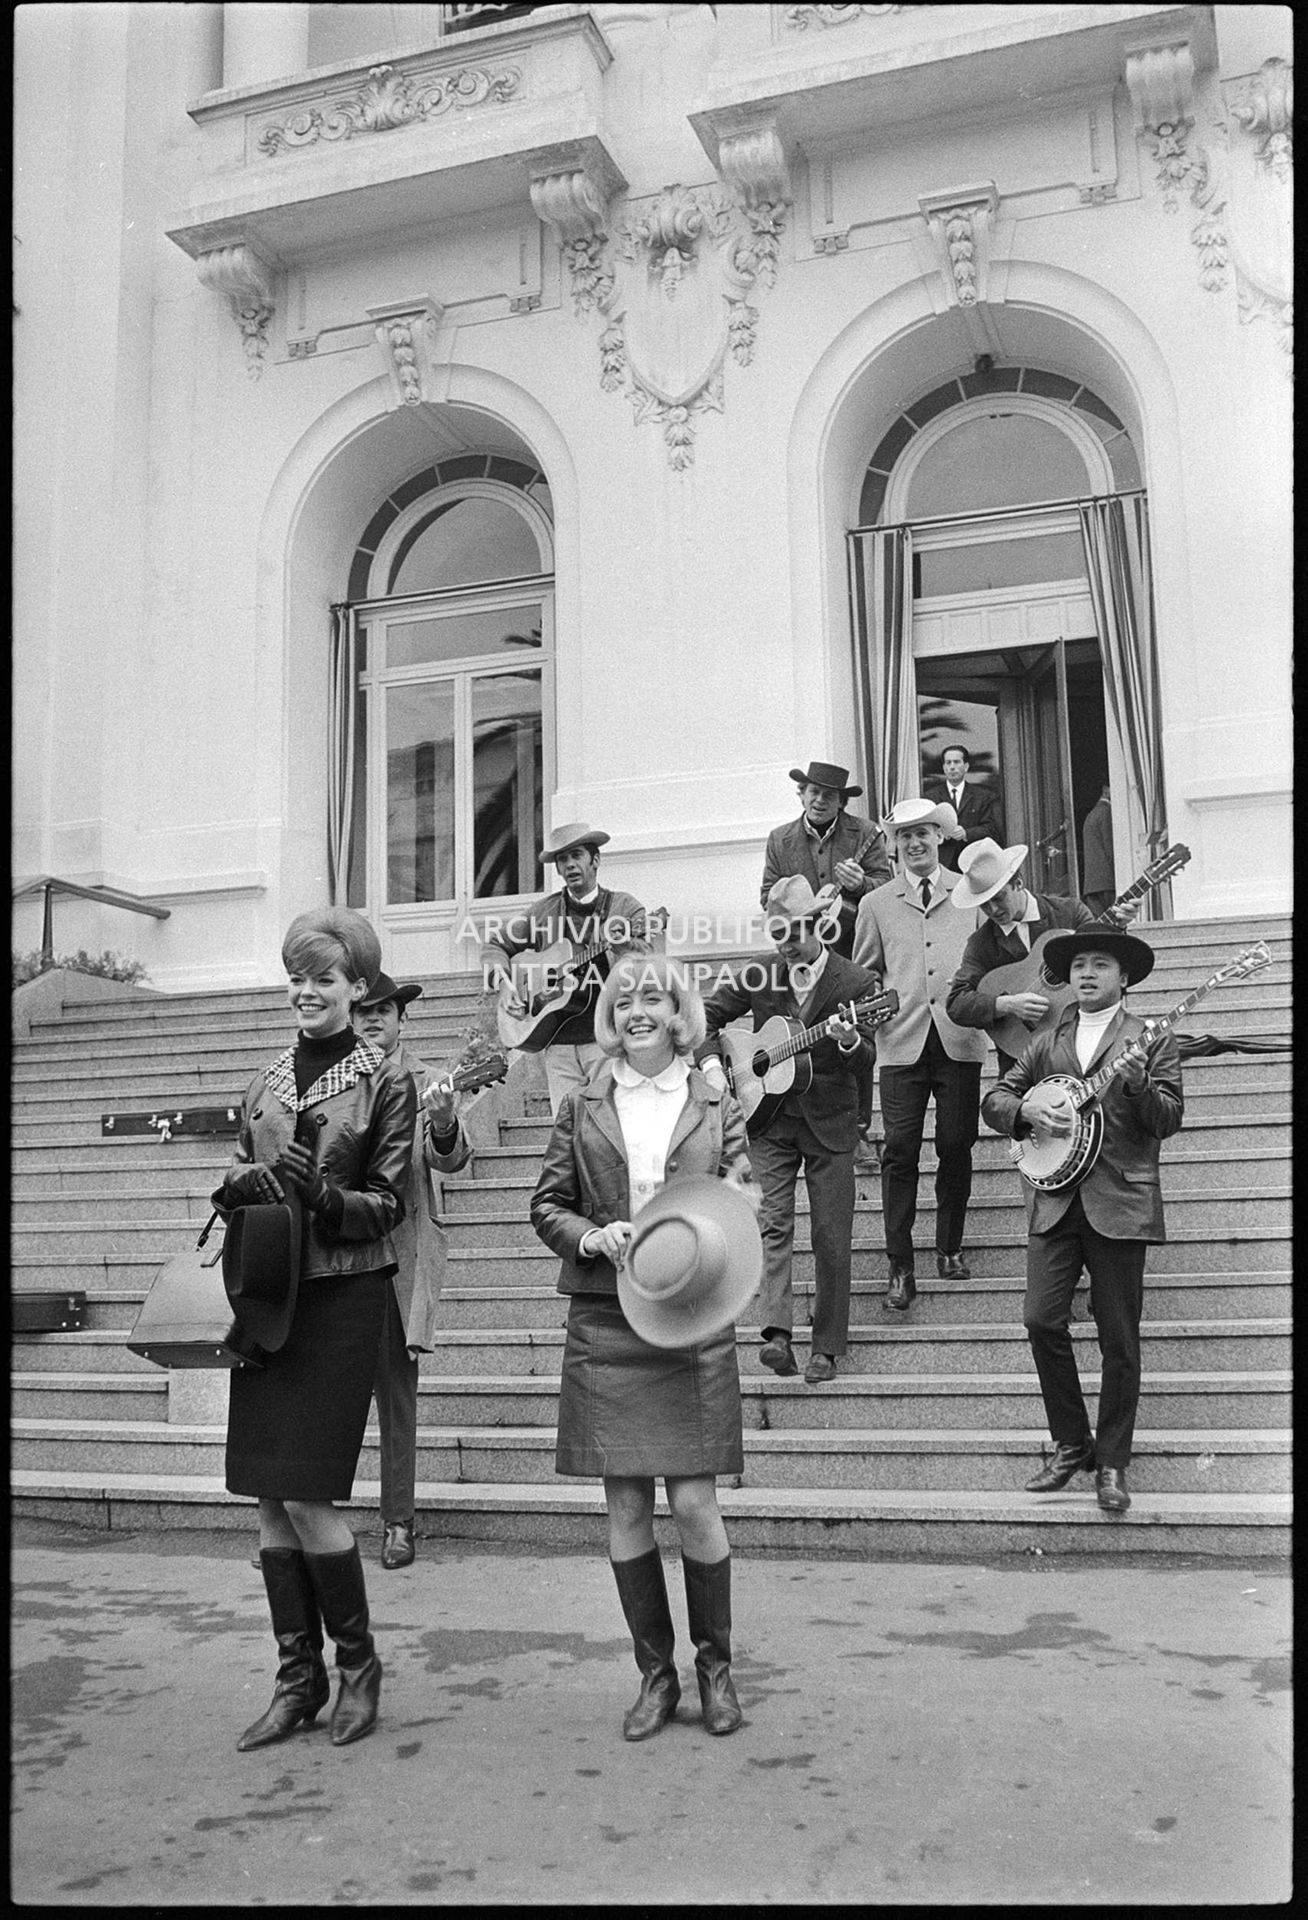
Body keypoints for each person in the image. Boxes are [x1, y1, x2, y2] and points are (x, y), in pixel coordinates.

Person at [530, 953, 757, 1741]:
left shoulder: (712, 1094)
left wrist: (706, 1232)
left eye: (652, 999)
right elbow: (547, 1204)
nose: (637, 1011)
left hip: (691, 1313)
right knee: (625, 1501)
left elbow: (743, 1191)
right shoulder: (584, 1098)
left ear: (677, 1013)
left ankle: (716, 1674)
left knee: (694, 1501)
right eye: (624, 1000)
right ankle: (655, 1679)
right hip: (605, 1317)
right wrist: (594, 1234)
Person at [217, 908, 417, 1751]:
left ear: (358, 987)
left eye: (323, 980)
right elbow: (236, 1172)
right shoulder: (264, 1084)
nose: (305, 991)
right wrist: (248, 1184)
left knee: (308, 1493)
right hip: (268, 1298)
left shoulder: (386, 1081)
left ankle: (359, 1669)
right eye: (296, 977)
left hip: (342, 1297)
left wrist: (322, 1196)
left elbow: (390, 1202)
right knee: (267, 1498)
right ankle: (297, 1679)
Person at [980, 928, 1183, 1513]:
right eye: (1078, 967)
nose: (1087, 974)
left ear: (1124, 978)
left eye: (1101, 965)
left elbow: (1168, 1119)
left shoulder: (1149, 1038)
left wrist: (1142, 1086)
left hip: (1120, 1202)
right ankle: (1073, 1444)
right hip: (1056, 1201)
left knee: (1119, 1340)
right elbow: (999, 1097)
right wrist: (1024, 1108)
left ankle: (1113, 1464)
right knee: (1041, 1319)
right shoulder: (1048, 1040)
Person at [699, 875, 882, 1384]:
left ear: (819, 926)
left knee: (830, 1235)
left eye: (795, 933)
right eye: (778, 935)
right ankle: (776, 1335)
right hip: (768, 1121)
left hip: (830, 1121)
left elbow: (867, 1056)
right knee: (771, 1224)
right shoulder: (761, 973)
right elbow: (702, 1021)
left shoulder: (857, 984)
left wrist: (848, 1043)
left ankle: (826, 1346)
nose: (787, 945)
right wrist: (715, 1067)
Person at [355, 972, 473, 1572]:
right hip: (332, 1256)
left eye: (384, 1011)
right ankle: (301, 1517)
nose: (373, 1020)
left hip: (394, 1260)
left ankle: (398, 1523)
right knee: (323, 1396)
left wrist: (446, 1119)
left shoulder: (428, 1083)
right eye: (363, 1012)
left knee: (396, 1400)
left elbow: (447, 1158)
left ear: (402, 1019)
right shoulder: (335, 1079)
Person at [853, 799, 987, 1307]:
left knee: (955, 1144)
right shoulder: (876, 903)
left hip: (959, 1037)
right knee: (900, 1151)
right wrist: (870, 1009)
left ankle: (949, 1246)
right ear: (894, 845)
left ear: (940, 837)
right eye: (904, 836)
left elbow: (991, 965)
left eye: (923, 835)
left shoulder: (971, 893)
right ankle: (900, 1265)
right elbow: (864, 974)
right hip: (900, 1044)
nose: (914, 844)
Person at [760, 759, 891, 1169]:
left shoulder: (866, 833)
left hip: (850, 952)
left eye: (828, 795)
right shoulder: (780, 839)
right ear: (802, 794)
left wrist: (860, 885)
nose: (820, 800)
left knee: (854, 1035)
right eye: (813, 792)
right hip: (799, 954)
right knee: (798, 1035)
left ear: (840, 802)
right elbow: (766, 896)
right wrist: (798, 911)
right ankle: (795, 1123)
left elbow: (886, 887)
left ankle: (859, 1131)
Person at [482, 822, 651, 1117]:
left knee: (613, 1124)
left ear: (595, 860)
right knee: (568, 1131)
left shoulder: (624, 908)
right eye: (563, 859)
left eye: (577, 855)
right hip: (558, 1043)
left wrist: (623, 947)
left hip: (607, 1037)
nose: (570, 865)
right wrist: (504, 983)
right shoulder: (543, 912)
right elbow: (495, 945)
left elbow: (648, 962)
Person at [943, 839, 1097, 1075]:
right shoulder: (982, 943)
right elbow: (956, 1003)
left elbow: (1105, 959)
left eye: (999, 898)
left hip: (1081, 1043)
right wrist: (1006, 1004)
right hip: (1021, 1061)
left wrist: (1118, 928)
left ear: (1019, 883)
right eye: (984, 905)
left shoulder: (1069, 914)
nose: (993, 910)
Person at [923, 744, 1002, 874]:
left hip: (974, 863)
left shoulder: (983, 796)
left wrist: (966, 833)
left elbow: (992, 829)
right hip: (942, 863)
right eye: (948, 763)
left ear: (966, 767)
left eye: (956, 762)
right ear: (944, 768)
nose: (952, 767)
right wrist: (943, 833)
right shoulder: (931, 797)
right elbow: (925, 829)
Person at [1081, 784, 1116, 915]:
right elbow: (1110, 847)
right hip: (1108, 882)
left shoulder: (1092, 814)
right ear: (1105, 790)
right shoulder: (1106, 812)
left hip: (1092, 884)